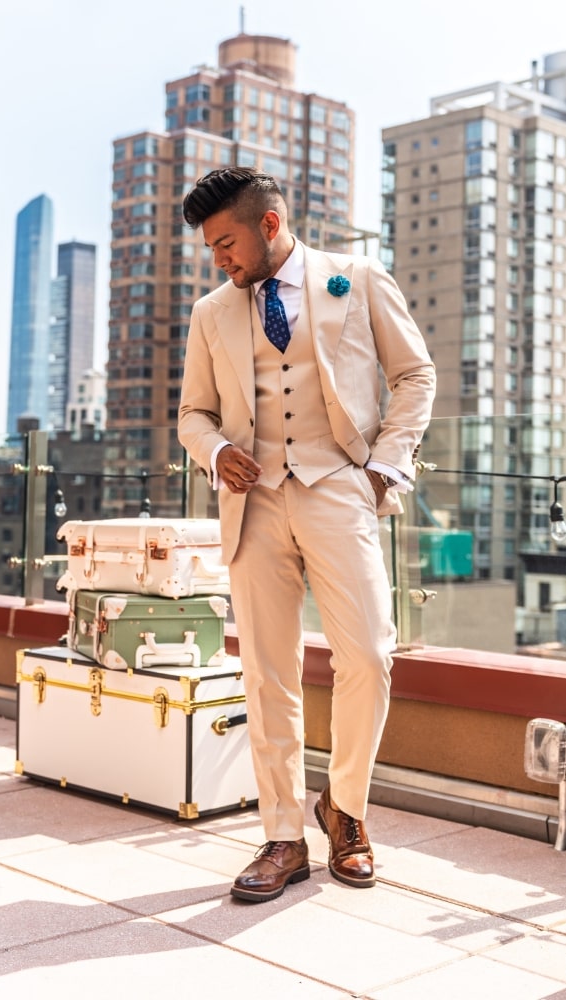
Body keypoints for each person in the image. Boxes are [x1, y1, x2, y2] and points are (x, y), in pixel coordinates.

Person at [178, 167, 435, 903]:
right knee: (266, 673)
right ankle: (284, 834)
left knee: (367, 655)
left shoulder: (356, 278)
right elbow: (192, 414)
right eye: (209, 249)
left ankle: (345, 810)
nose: (218, 259)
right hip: (253, 506)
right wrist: (214, 450)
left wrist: (383, 470)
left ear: (267, 224)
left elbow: (413, 375)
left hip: (339, 489)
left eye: (225, 242)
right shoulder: (209, 314)